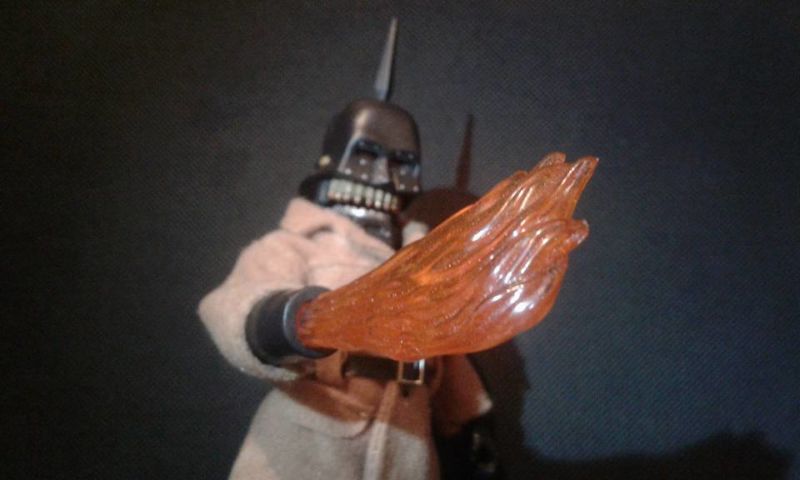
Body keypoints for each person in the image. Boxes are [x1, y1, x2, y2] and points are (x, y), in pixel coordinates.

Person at [198, 95, 498, 479]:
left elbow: (447, 353)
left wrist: (470, 421)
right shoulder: (297, 245)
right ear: (334, 160)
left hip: (407, 449)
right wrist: (282, 319)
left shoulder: (423, 267)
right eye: (366, 156)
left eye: (402, 164)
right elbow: (230, 305)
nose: (384, 176)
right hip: (310, 442)